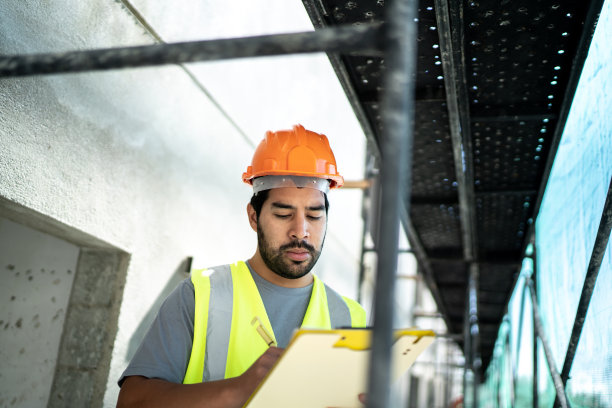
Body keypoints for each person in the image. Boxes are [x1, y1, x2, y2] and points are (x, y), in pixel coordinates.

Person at [117, 124, 367, 407]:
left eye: (314, 215)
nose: (301, 231)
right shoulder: (201, 294)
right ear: (253, 216)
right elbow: (131, 402)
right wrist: (235, 390)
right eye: (283, 214)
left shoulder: (351, 317)